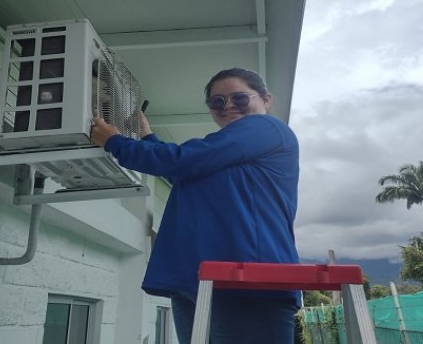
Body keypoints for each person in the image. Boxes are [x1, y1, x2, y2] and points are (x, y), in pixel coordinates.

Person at [90, 68, 300, 343]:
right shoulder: (231, 154)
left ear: (266, 100)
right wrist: (148, 139)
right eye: (217, 102)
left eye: (239, 98)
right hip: (201, 279)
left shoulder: (267, 127)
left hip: (248, 280)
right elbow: (185, 172)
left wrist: (115, 142)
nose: (228, 107)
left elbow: (183, 161)